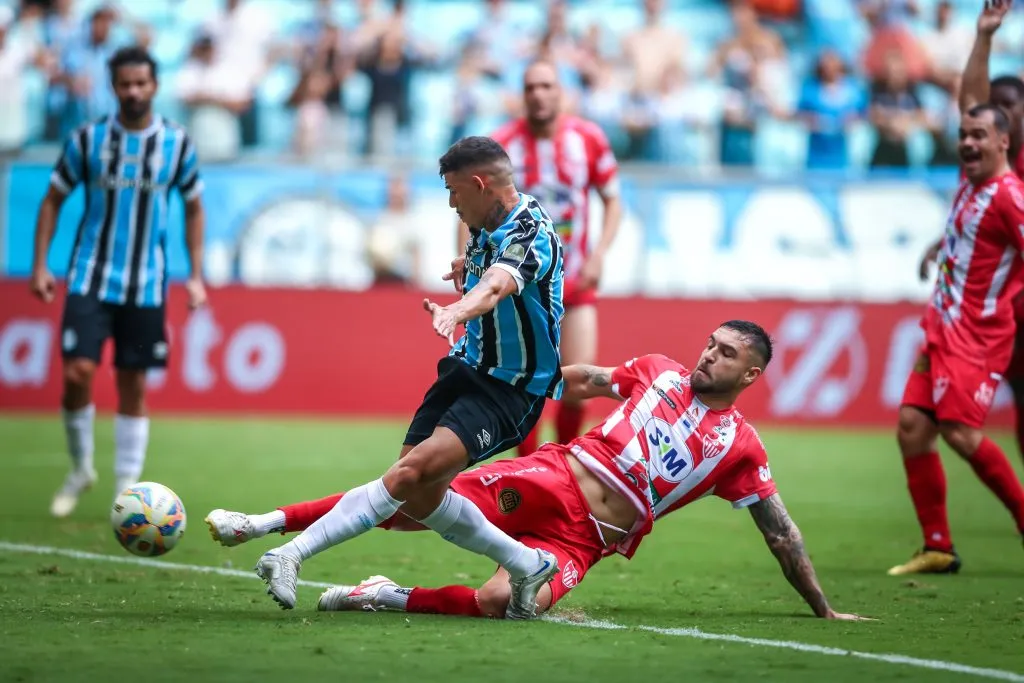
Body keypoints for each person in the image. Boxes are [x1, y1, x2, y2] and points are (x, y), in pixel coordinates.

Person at [206, 321, 867, 621]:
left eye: (727, 355)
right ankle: (262, 522)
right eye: (711, 344)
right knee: (408, 490)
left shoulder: (742, 448)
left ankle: (380, 594)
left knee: (503, 604)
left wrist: (823, 607)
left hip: (590, 539)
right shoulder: (660, 370)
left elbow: (779, 530)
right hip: (556, 476)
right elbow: (587, 379)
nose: (709, 356)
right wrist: (526, 383)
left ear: (751, 374)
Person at [240, 136, 565, 619]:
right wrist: (465, 267)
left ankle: (290, 555)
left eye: (455, 192)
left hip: (509, 388)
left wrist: (458, 308)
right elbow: (486, 269)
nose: (452, 203)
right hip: (466, 367)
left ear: (479, 185)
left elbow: (498, 285)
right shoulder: (488, 221)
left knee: (408, 474)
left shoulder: (530, 232)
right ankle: (526, 563)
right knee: (417, 497)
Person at [29, 46, 207, 518]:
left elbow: (193, 207)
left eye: (141, 84)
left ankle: (127, 491)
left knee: (132, 384)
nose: (133, 91)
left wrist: (195, 275)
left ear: (155, 86)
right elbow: (52, 199)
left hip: (147, 283)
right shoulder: (87, 140)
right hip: (90, 275)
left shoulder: (177, 143)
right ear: (114, 87)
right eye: (125, 84)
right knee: (77, 373)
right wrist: (41, 266)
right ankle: (81, 468)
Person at [458, 59, 621, 457]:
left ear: (560, 91)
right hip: (518, 285)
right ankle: (531, 471)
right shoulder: (500, 146)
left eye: (547, 86)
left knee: (577, 385)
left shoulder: (589, 139)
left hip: (576, 280)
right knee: (521, 385)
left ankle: (563, 466)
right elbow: (469, 207)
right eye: (530, 87)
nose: (538, 94)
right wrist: (468, 259)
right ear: (522, 94)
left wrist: (600, 254)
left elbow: (613, 200)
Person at [892, 103, 1024, 576]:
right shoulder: (971, 185)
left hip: (978, 336)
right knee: (912, 426)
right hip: (941, 328)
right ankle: (938, 546)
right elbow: (968, 235)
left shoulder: (1010, 196)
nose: (968, 142)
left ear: (1004, 141)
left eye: (980, 135)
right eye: (964, 133)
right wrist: (937, 247)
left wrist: (985, 38)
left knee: (961, 433)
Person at [917, 0, 1024, 462]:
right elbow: (970, 101)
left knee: (957, 429)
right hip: (984, 315)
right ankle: (938, 537)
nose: (996, 114)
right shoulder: (979, 157)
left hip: (1002, 313)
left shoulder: (1008, 173)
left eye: (1008, 107)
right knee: (926, 426)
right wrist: (984, 37)